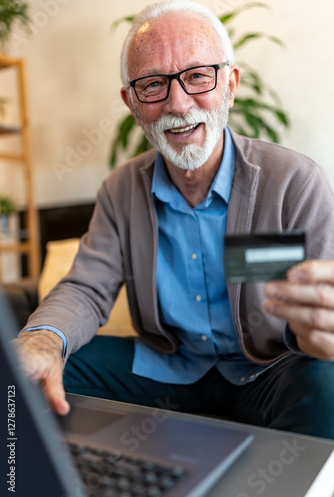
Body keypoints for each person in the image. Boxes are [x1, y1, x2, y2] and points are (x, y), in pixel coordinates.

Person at [15, 0, 334, 439]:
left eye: (198, 76)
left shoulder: (294, 182)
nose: (178, 104)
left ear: (230, 83)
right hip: (166, 368)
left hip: (266, 372)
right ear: (131, 101)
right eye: (152, 85)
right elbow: (86, 288)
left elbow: (321, 303)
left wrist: (320, 330)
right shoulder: (120, 190)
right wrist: (43, 340)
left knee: (327, 382)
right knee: (28, 376)